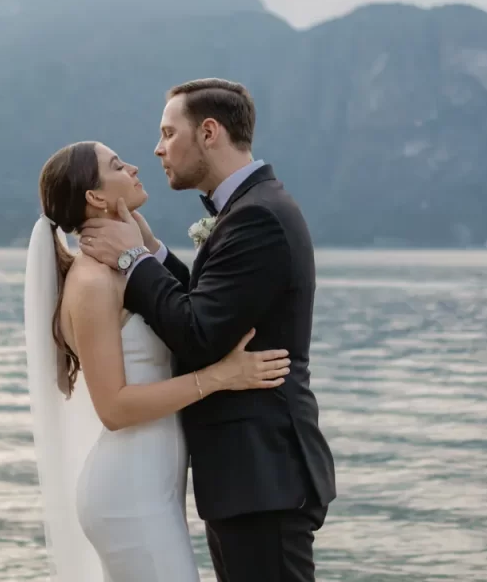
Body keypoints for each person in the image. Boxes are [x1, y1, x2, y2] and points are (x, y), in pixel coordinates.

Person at [79, 78, 336, 582]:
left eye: (168, 133)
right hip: (248, 478)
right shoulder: (251, 208)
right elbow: (209, 305)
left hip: (264, 477)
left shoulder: (257, 217)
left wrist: (131, 260)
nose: (157, 149)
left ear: (210, 132)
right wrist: (152, 254)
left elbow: (198, 333)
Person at [24, 140, 292, 582]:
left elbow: (189, 316)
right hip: (128, 494)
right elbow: (113, 408)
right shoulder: (92, 281)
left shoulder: (123, 269)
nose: (133, 166)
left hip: (152, 485)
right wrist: (221, 376)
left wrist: (146, 247)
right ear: (95, 197)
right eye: (116, 165)